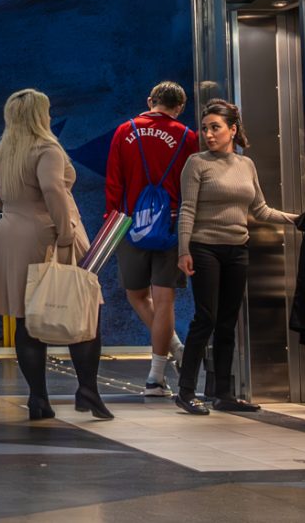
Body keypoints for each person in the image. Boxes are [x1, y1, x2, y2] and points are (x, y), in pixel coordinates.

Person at [0, 88, 112, 422]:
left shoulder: (2, 152)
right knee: (83, 311)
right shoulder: (47, 149)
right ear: (40, 115)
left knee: (26, 318)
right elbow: (53, 190)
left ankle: (38, 398)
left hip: (9, 235)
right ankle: (88, 389)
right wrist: (66, 233)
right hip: (46, 234)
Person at [173, 97, 294, 416]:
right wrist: (184, 250)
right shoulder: (196, 163)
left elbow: (260, 209)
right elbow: (187, 209)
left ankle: (223, 394)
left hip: (237, 249)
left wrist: (297, 220)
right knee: (206, 318)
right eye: (205, 128)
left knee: (228, 322)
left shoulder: (246, 165)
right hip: (204, 247)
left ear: (233, 130)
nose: (208, 134)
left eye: (215, 127)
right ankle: (186, 391)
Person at [102, 81, 197, 395]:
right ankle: (157, 375)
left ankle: (174, 352)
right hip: (172, 227)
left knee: (136, 295)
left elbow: (114, 182)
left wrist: (112, 221)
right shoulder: (187, 137)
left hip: (130, 226)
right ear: (179, 107)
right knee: (165, 299)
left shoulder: (124, 131)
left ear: (150, 101)